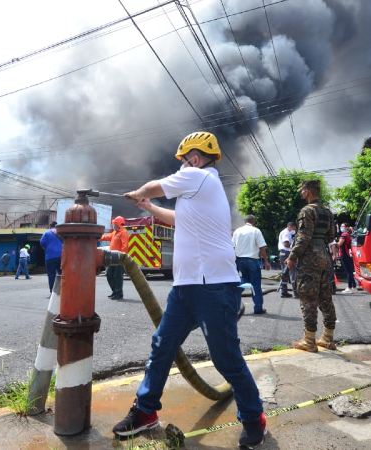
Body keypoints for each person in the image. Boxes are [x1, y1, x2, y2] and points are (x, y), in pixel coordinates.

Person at [113, 131, 265, 447]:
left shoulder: (200, 177)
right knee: (162, 347)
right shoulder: (196, 193)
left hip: (215, 287)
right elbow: (177, 219)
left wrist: (142, 191)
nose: (182, 166)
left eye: (183, 161)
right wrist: (148, 205)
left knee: (226, 360)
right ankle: (145, 412)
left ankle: (253, 417)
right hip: (185, 287)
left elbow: (157, 185)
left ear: (193, 158)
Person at [286, 180, 337, 352]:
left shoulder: (307, 211)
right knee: (326, 298)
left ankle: (309, 341)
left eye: (302, 190)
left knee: (308, 299)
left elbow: (303, 237)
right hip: (325, 256)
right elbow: (331, 236)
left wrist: (292, 256)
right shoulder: (328, 212)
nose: (301, 193)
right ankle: (328, 339)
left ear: (308, 191)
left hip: (310, 259)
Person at [232, 215, 271, 314]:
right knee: (255, 284)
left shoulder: (237, 231)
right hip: (253, 260)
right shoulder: (256, 231)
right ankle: (258, 308)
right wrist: (266, 261)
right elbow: (262, 247)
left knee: (243, 280)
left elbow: (232, 246)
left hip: (239, 260)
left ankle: (234, 300)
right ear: (254, 221)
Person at [106, 216, 128, 299]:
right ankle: (114, 291)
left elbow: (125, 246)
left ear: (118, 224)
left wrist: (121, 256)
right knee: (109, 274)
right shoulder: (115, 232)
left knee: (117, 276)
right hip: (112, 257)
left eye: (114, 224)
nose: (113, 225)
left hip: (119, 258)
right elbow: (107, 237)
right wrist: (97, 237)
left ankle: (118, 294)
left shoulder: (123, 232)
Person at [40, 222, 63, 293]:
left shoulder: (47, 233)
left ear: (50, 226)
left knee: (51, 275)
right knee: (62, 274)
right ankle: (63, 291)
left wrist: (47, 248)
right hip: (61, 256)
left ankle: (52, 292)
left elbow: (42, 243)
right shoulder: (61, 233)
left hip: (50, 257)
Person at [278, 222, 297, 298]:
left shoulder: (289, 232)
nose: (294, 229)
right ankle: (296, 292)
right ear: (290, 226)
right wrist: (295, 247)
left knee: (285, 273)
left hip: (284, 253)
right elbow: (286, 244)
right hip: (286, 253)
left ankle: (284, 291)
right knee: (292, 272)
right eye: (294, 228)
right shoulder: (286, 233)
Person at [337, 223, 357, 293]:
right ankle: (354, 286)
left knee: (348, 271)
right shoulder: (348, 235)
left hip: (344, 254)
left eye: (342, 226)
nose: (341, 227)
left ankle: (349, 287)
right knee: (350, 271)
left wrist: (333, 243)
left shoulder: (344, 235)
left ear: (346, 227)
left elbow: (339, 244)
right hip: (349, 254)